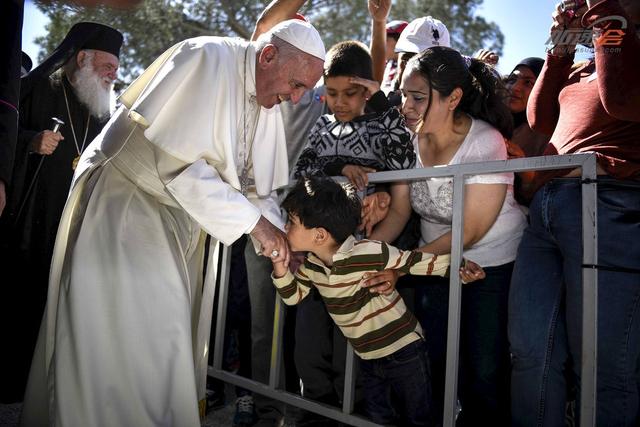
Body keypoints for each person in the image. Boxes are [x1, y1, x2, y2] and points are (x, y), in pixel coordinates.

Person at [19, 19, 325, 427]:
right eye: (297, 84)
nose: (296, 97)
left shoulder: (268, 96)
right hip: (125, 201)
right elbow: (177, 166)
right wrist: (257, 227)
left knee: (164, 338)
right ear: (268, 55)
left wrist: (283, 243)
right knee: (118, 335)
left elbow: (257, 188)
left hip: (173, 217)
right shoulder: (206, 58)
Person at [370, 46, 526, 426]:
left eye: (418, 97)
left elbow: (469, 231)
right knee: (434, 357)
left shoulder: (484, 142)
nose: (405, 105)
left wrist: (402, 268)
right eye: (404, 94)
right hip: (435, 263)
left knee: (483, 369)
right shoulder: (411, 139)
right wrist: (368, 253)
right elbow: (401, 211)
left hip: (491, 265)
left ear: (454, 98)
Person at [509, 1, 640, 425]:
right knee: (531, 351)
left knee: (603, 364)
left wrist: (608, 17)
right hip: (548, 209)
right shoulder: (592, 57)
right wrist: (562, 46)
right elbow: (540, 119)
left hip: (608, 205)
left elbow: (620, 101)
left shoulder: (620, 41)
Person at [0, 22, 123, 403]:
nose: (111, 76)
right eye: (106, 67)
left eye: (116, 71)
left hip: (71, 221)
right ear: (82, 58)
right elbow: (3, 135)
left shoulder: (102, 108)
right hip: (28, 219)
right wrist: (29, 141)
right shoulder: (37, 89)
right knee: (18, 297)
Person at [271, 176, 455, 426]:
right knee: (380, 419)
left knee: (419, 418)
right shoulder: (312, 266)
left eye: (291, 222)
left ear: (320, 235)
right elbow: (293, 297)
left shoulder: (370, 251)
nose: (285, 228)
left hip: (404, 350)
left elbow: (416, 262)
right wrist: (281, 269)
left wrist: (461, 268)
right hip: (368, 358)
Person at [294, 40, 414, 191]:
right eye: (331, 93)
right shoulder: (322, 125)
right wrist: (337, 169)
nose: (339, 102)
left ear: (366, 90)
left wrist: (382, 104)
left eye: (349, 93)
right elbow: (299, 172)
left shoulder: (381, 127)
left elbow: (405, 164)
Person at [379, 20, 408, 94]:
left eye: (385, 40)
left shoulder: (413, 68)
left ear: (400, 41)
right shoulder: (385, 66)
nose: (381, 46)